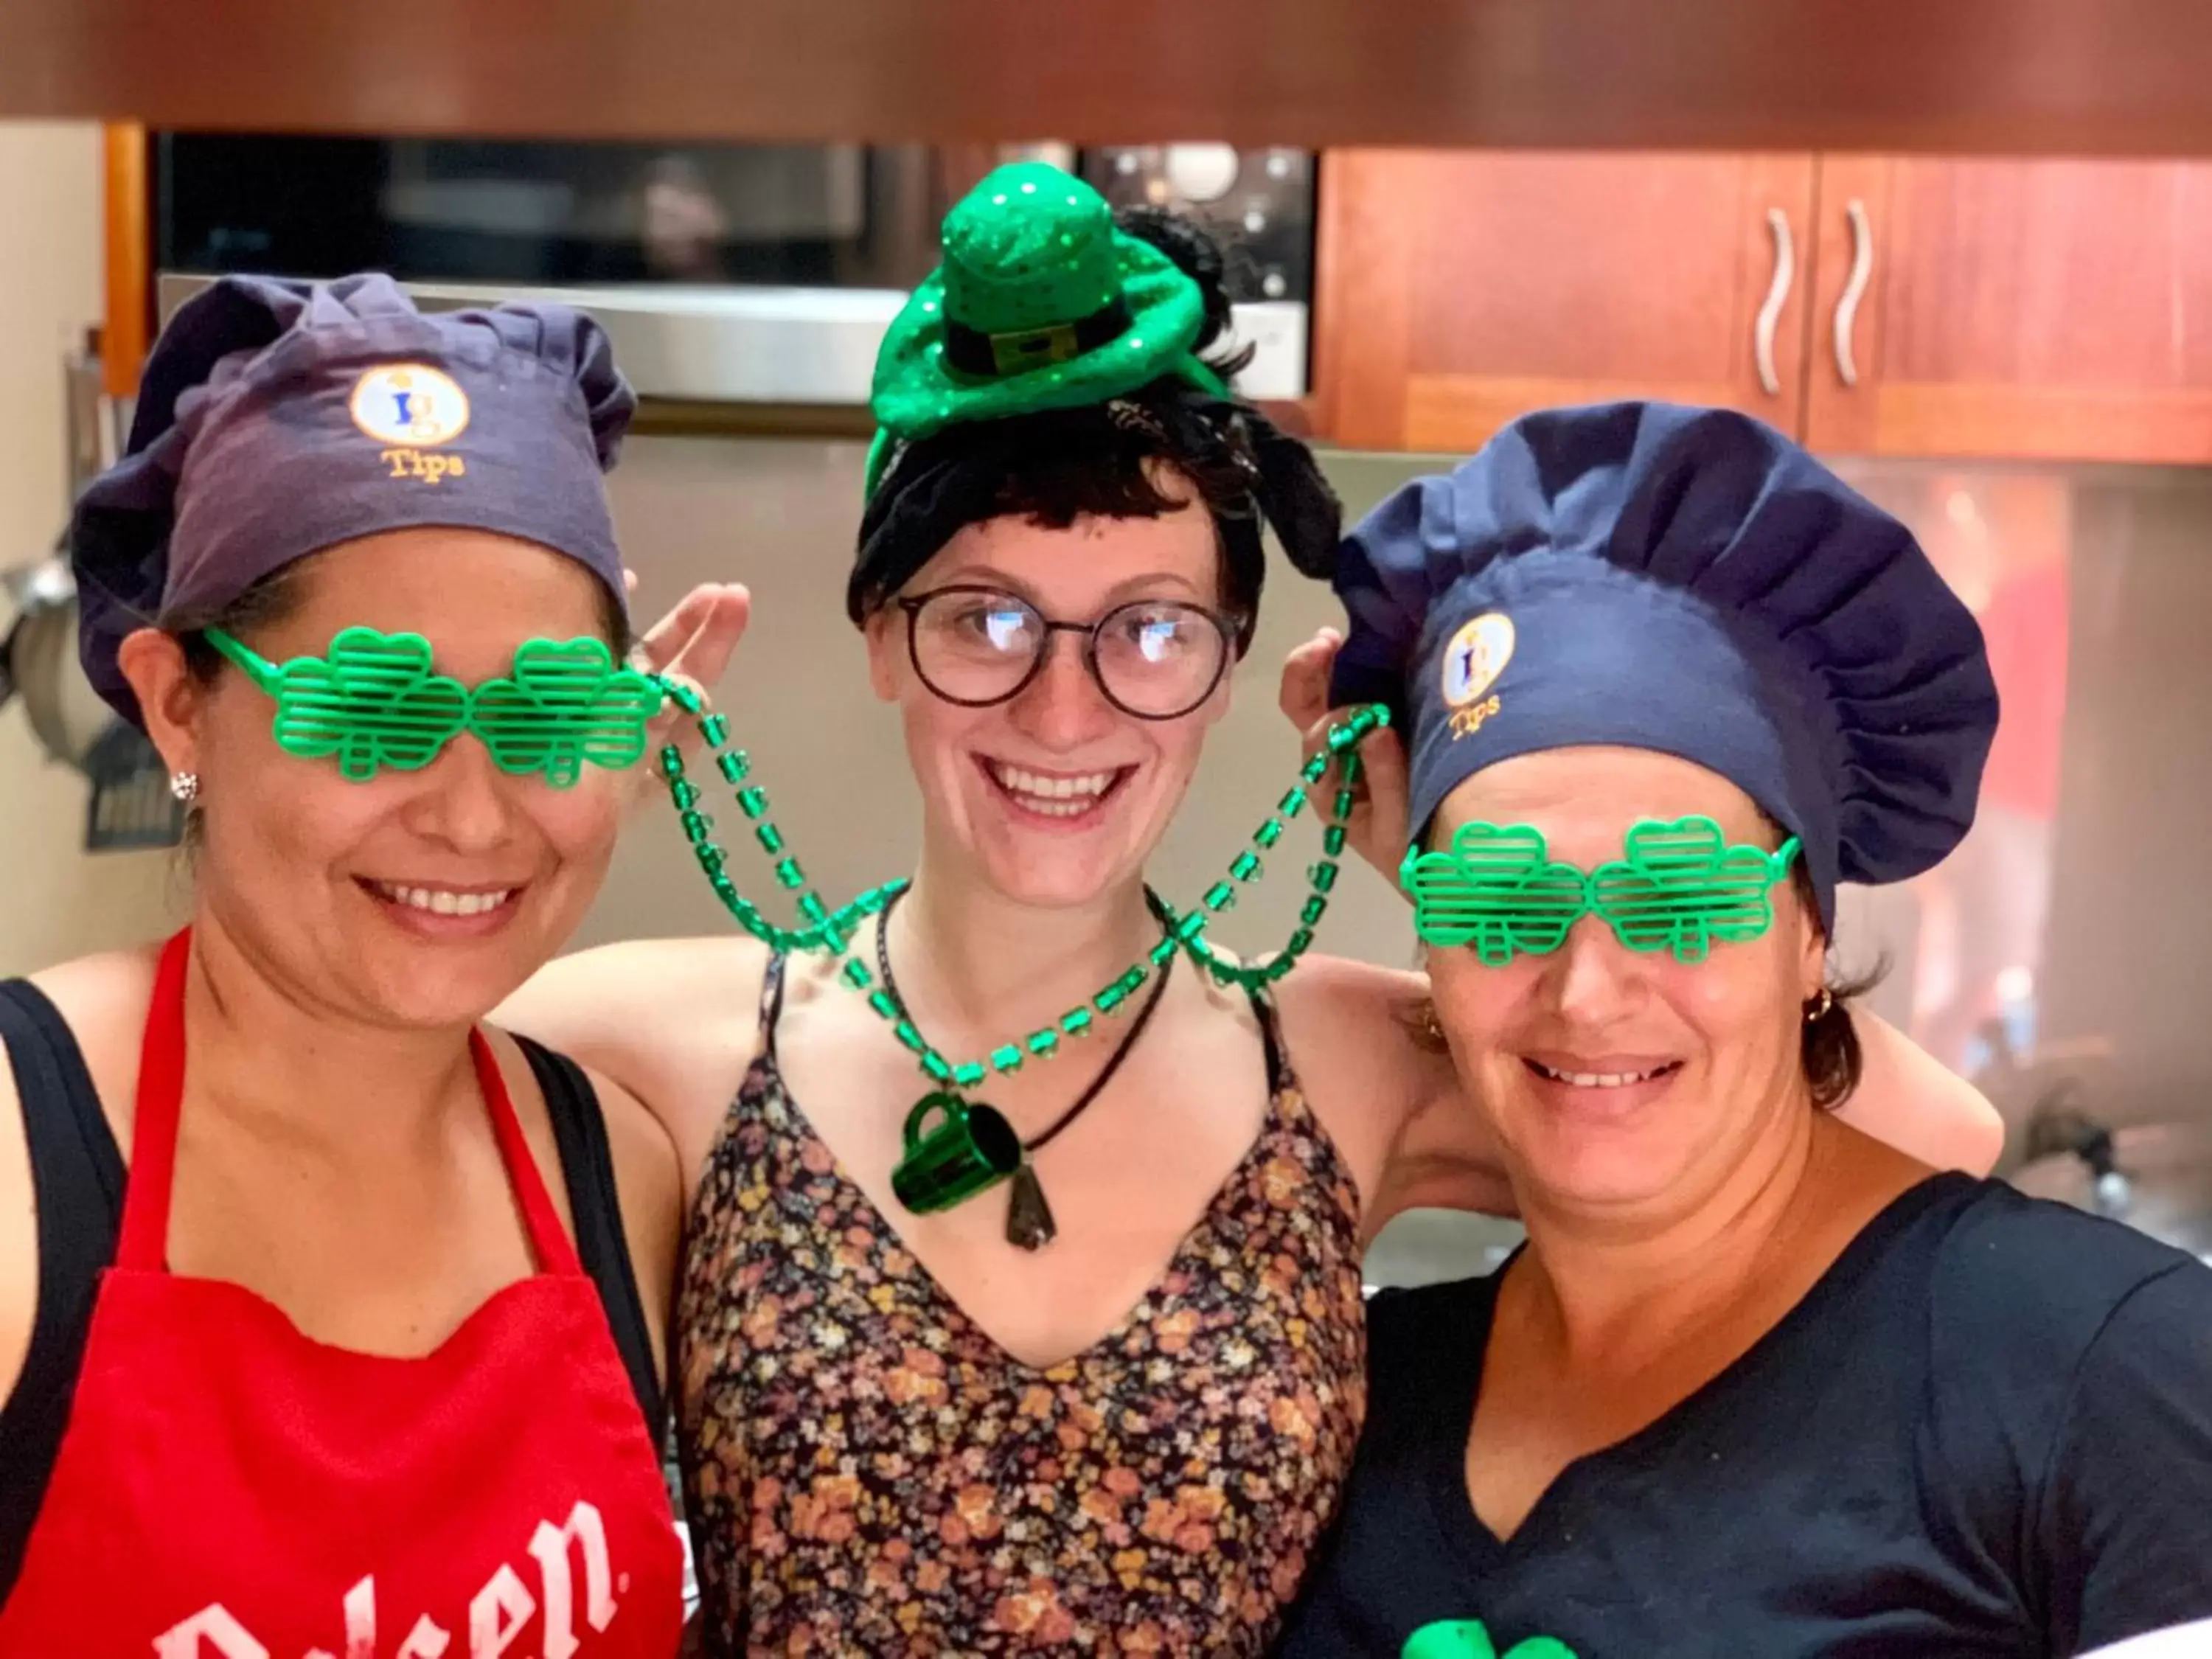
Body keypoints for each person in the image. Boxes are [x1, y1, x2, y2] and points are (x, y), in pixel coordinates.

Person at [502, 165, 2002, 1655]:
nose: (1063, 706)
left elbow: (1928, 1139)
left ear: (1228, 665)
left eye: (1151, 630)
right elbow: (305, 1104)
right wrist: (533, 813)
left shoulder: (1346, 1066)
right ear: (883, 638)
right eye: (986, 620)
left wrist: (1456, 870)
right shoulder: (670, 1049)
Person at [1274, 402, 2212, 1659]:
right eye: (1503, 899)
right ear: (1425, 929)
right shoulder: (1356, 1403)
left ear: (1810, 930)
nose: (1589, 988)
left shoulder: (2103, 1376)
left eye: (1681, 897)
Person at [0, 276, 689, 1653]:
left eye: (554, 713)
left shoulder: (624, 1167)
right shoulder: (17, 1168)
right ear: (177, 703)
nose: (475, 813)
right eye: (376, 709)